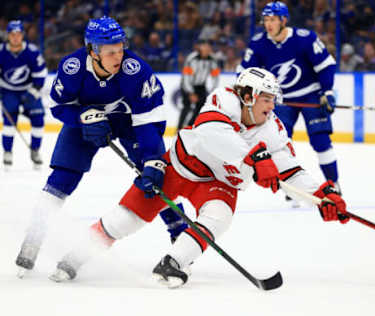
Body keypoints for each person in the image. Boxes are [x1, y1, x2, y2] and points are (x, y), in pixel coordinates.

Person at [48, 67, 348, 288]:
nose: (272, 107)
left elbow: (290, 170)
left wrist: (322, 195)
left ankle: (174, 262)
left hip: (219, 183)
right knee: (126, 219)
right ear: (246, 96)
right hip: (178, 168)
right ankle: (75, 256)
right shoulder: (223, 98)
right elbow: (212, 132)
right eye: (266, 99)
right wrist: (256, 158)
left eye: (273, 100)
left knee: (219, 216)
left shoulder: (273, 129)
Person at [15, 16, 187, 278]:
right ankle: (33, 236)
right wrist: (82, 117)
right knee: (62, 177)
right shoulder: (72, 68)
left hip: (130, 123)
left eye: (120, 48)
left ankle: (180, 232)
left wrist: (152, 158)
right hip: (85, 120)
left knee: (155, 175)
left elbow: (149, 117)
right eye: (110, 52)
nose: (118, 56)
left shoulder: (136, 70)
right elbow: (60, 106)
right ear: (92, 51)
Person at [237, 2, 341, 198]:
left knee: (320, 141)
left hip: (311, 95)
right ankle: (293, 186)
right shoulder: (259, 43)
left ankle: (334, 184)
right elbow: (244, 73)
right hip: (280, 100)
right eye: (266, 20)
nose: (268, 24)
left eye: (273, 20)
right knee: (279, 143)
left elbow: (326, 65)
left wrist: (327, 92)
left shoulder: (305, 39)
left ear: (284, 20)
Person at [0, 20, 47, 170]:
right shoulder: (1, 52)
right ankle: (7, 152)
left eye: (18, 34)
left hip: (29, 89)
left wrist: (33, 92)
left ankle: (35, 150)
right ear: (8, 35)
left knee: (39, 119)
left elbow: (40, 74)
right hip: (8, 91)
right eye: (12, 34)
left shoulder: (32, 52)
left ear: (22, 35)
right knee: (9, 122)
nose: (15, 37)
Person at [177, 39, 220, 131]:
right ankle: (179, 129)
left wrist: (213, 90)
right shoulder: (191, 58)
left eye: (209, 46)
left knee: (201, 108)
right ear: (200, 47)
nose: (207, 48)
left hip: (200, 86)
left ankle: (190, 127)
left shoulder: (212, 60)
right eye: (205, 46)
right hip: (187, 85)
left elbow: (215, 77)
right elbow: (186, 77)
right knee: (187, 107)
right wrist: (190, 92)